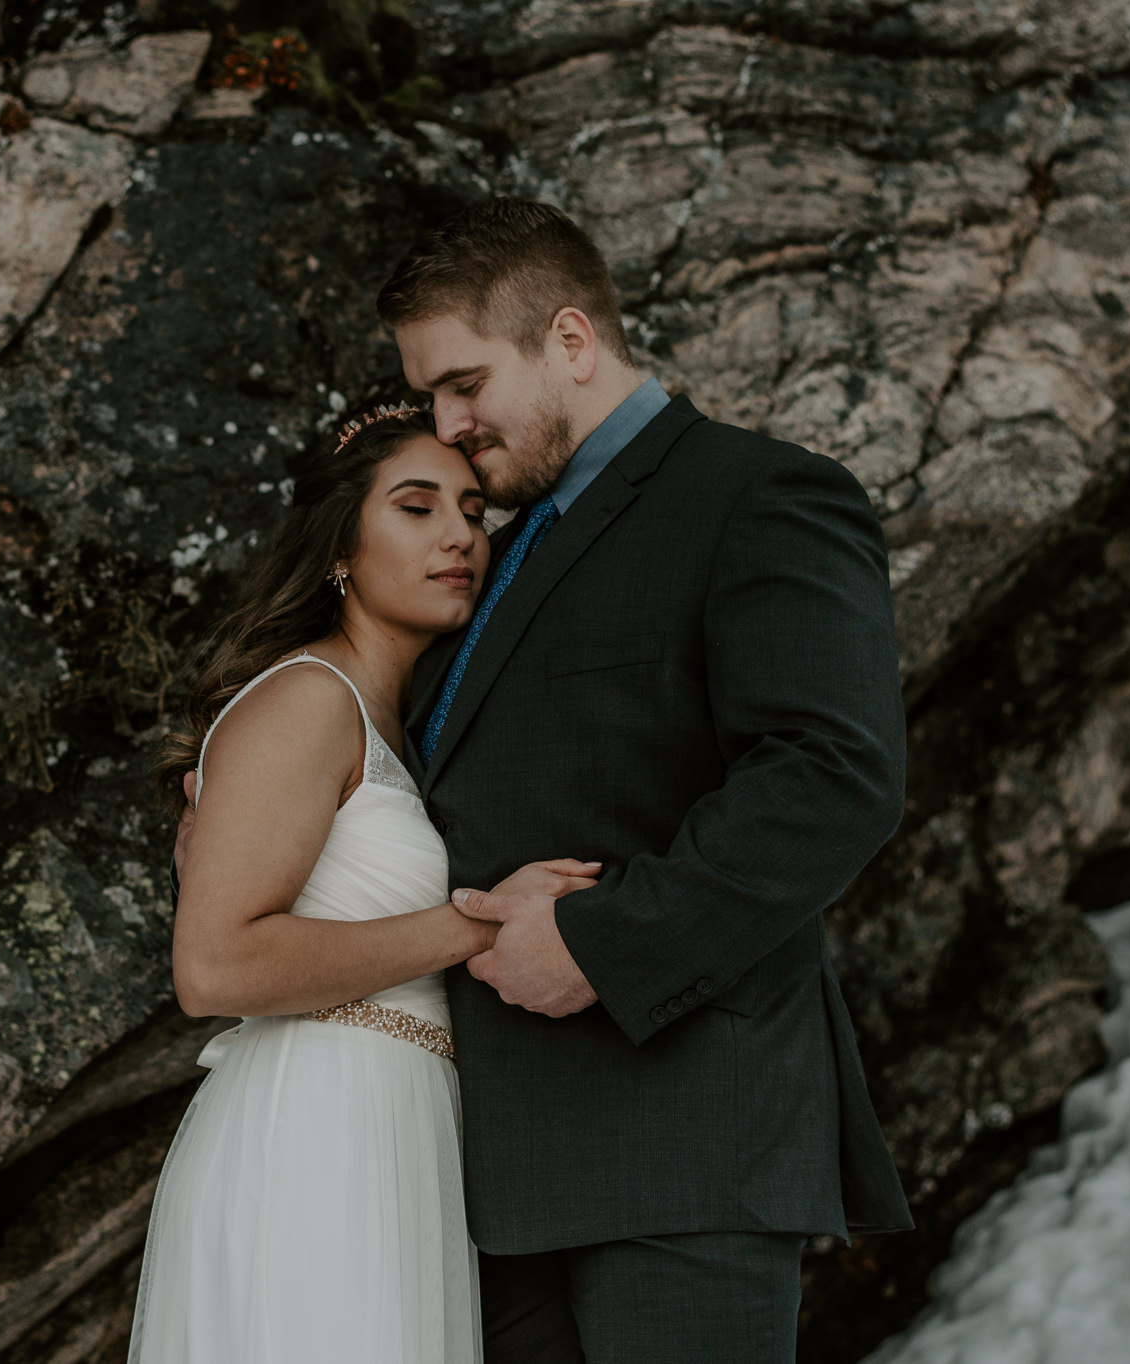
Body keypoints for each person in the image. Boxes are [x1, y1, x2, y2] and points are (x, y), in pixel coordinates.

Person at [377, 198, 913, 1361]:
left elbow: (835, 773)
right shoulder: (503, 545)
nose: (445, 422)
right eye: (428, 394)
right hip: (496, 1170)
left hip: (678, 1148)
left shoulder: (759, 495)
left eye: (464, 383)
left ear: (570, 341)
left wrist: (599, 941)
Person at [128, 405, 599, 1363]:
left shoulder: (402, 721)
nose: (459, 536)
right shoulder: (305, 698)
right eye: (416, 509)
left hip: (399, 1129)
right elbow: (213, 966)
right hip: (313, 1131)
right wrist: (479, 925)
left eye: (472, 510)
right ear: (341, 546)